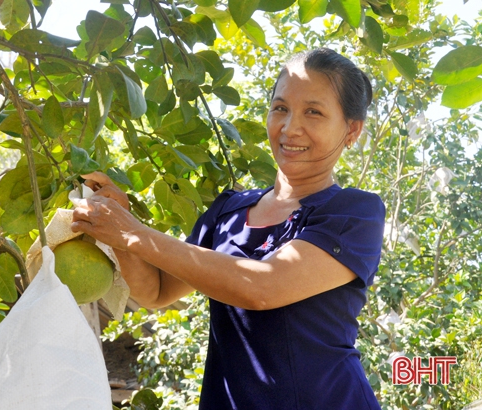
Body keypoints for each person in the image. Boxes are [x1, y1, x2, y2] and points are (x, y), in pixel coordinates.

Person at [71, 48, 385, 409]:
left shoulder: (353, 213)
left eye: (313, 112)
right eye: (280, 108)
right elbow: (156, 291)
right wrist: (118, 226)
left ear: (352, 130)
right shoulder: (229, 210)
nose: (289, 127)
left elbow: (264, 286)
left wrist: (132, 232)